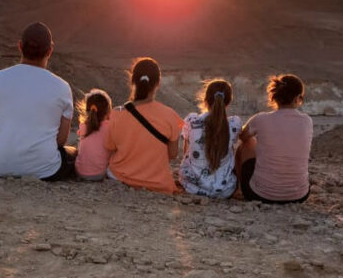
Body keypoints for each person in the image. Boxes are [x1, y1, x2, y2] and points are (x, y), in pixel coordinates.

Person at [0, 22, 75, 180]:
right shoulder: (62, 87)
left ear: (20, 46)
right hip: (46, 170)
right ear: (50, 51)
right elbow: (61, 141)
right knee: (73, 152)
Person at [105, 57, 183, 194]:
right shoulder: (170, 115)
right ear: (158, 83)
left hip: (119, 176)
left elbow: (110, 147)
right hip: (158, 182)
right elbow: (173, 154)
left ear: (132, 81)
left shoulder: (116, 114)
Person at [237, 73, 313, 203]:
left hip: (259, 195)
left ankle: (238, 189)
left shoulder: (261, 119)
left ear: (274, 96)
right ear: (298, 98)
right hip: (299, 196)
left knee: (247, 143)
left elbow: (242, 136)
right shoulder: (307, 121)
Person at [179, 78, 242, 198]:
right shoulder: (234, 123)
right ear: (228, 102)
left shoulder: (191, 121)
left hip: (192, 187)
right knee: (242, 146)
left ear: (205, 100)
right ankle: (240, 188)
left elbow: (187, 150)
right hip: (225, 189)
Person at [75, 89, 112, 181]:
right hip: (99, 174)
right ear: (108, 111)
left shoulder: (84, 126)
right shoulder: (110, 128)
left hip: (80, 172)